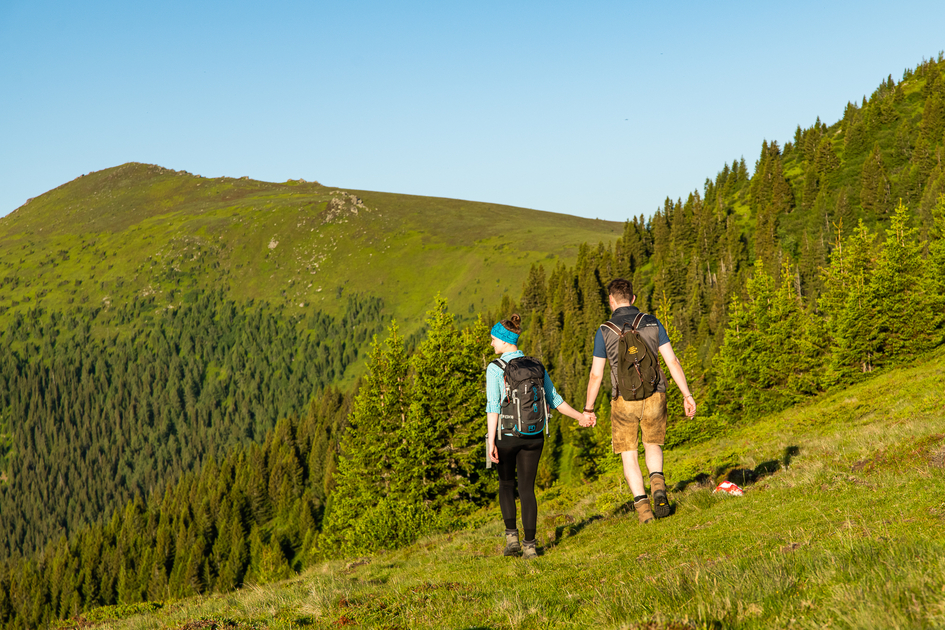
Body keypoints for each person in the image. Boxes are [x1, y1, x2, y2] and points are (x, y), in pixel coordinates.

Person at [582, 278, 696, 524]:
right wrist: (687, 395)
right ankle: (658, 487)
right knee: (653, 444)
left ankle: (644, 512)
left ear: (611, 301)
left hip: (623, 400)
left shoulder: (604, 330)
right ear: (633, 298)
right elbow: (672, 361)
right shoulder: (652, 322)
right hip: (655, 393)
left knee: (629, 454)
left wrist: (588, 408)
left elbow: (595, 375)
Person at [486, 313, 590, 559]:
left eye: (493, 339)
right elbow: (555, 400)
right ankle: (530, 547)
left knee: (506, 484)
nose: (491, 344)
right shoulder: (536, 366)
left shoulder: (495, 368)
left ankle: (512, 540)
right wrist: (580, 417)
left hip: (506, 435)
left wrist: (491, 441)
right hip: (534, 436)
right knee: (527, 490)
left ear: (504, 341)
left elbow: (493, 406)